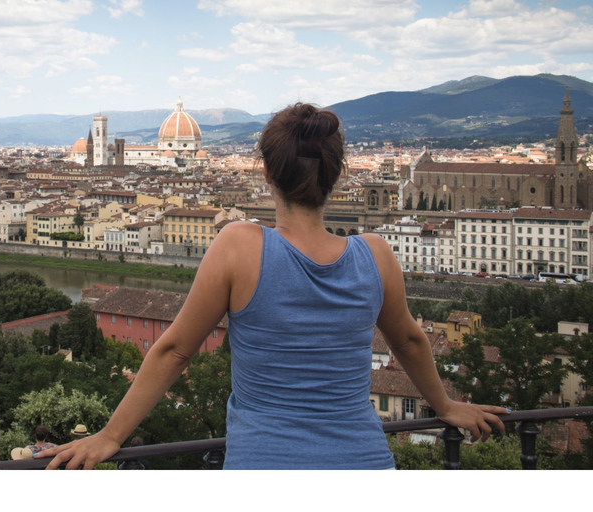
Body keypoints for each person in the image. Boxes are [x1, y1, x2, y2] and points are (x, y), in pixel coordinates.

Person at [41, 102, 508, 470]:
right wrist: (444, 405)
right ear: (337, 174)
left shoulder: (240, 246)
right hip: (365, 467)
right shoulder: (376, 255)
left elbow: (174, 351)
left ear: (267, 174)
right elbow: (408, 339)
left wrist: (110, 436)